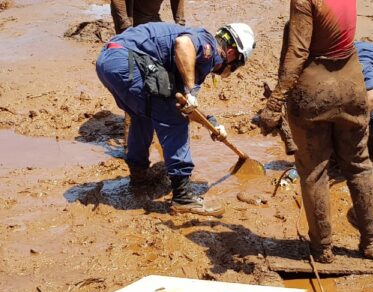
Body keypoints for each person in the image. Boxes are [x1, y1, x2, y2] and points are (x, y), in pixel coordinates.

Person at [235, 0, 373, 263]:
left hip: (314, 91)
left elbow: (296, 55)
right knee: (359, 164)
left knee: (313, 170)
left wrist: (273, 106)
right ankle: (372, 243)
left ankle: (323, 249)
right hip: (351, 83)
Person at [95, 21, 256, 217]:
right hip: (126, 61)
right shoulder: (209, 46)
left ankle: (138, 174)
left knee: (142, 116)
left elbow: (184, 104)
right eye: (236, 65)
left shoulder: (193, 59)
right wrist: (190, 90)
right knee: (175, 121)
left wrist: (212, 123)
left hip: (109, 60)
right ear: (231, 54)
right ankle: (183, 196)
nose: (229, 71)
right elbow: (183, 43)